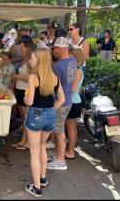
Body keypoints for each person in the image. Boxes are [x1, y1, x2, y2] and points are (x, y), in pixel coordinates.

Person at [24, 48, 65, 198]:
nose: (30, 60)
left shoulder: (33, 77)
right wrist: (50, 109)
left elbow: (29, 101)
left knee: (34, 151)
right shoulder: (54, 77)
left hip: (35, 115)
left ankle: (36, 188)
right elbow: (62, 99)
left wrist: (24, 99)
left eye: (32, 58)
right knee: (42, 147)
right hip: (50, 116)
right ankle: (42, 179)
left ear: (40, 60)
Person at [47, 37, 77, 171]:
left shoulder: (58, 66)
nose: (53, 51)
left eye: (54, 49)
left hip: (60, 101)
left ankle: (60, 161)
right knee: (60, 129)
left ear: (60, 49)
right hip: (68, 99)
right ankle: (58, 155)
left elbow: (52, 85)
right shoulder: (72, 60)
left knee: (59, 131)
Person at [10, 35, 34, 150]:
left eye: (22, 48)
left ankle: (26, 141)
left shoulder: (31, 60)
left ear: (28, 48)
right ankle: (23, 140)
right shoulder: (23, 59)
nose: (20, 50)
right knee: (24, 118)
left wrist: (19, 76)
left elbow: (33, 76)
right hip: (20, 90)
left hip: (26, 91)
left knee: (26, 118)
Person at [65, 48, 85, 159]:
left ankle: (71, 151)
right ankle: (71, 149)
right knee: (72, 127)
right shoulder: (78, 69)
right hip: (74, 100)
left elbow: (72, 89)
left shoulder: (77, 71)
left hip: (73, 101)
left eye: (71, 55)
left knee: (70, 127)